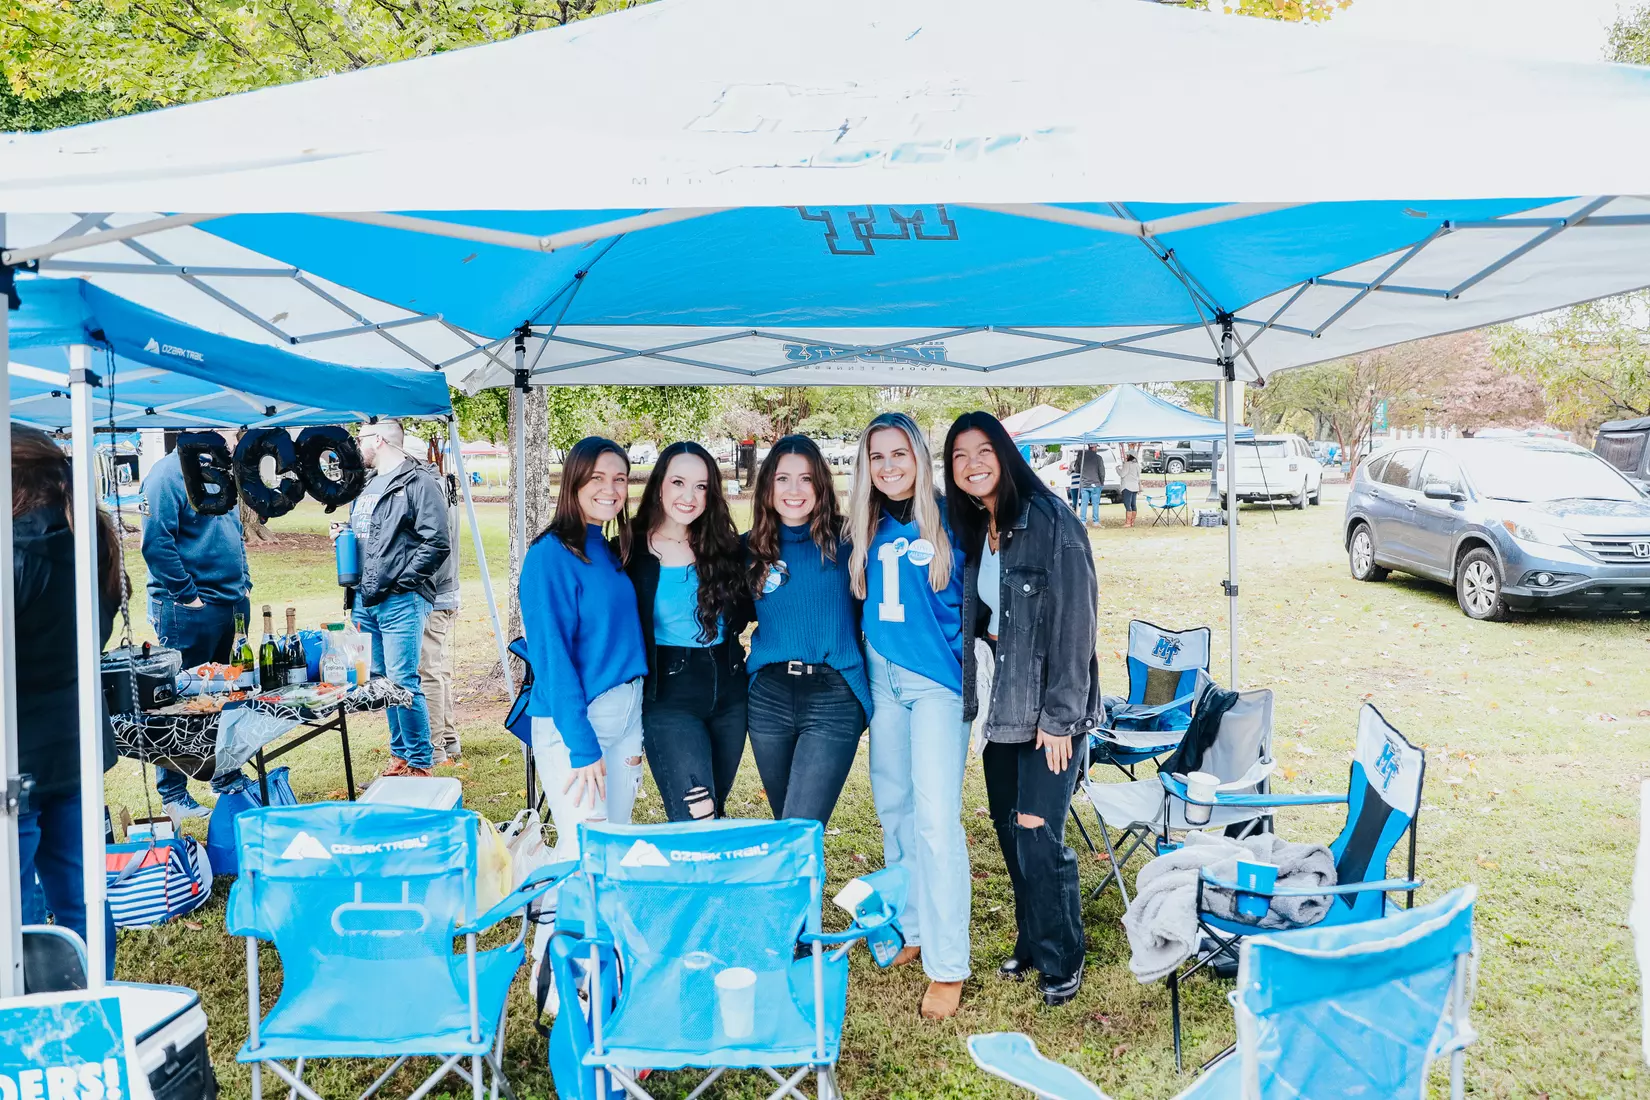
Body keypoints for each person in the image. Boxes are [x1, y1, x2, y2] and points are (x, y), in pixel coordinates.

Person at [947, 411, 1100, 1008]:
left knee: (1038, 834)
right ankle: (1032, 939)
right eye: (959, 456)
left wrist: (1060, 718)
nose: (972, 464)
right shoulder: (982, 528)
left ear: (1006, 454)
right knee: (1010, 831)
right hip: (1002, 708)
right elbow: (992, 610)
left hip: (1049, 715)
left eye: (983, 450)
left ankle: (1063, 956)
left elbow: (1076, 625)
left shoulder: (1052, 521)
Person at [848, 411, 971, 1021]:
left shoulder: (954, 517)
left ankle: (948, 965)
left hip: (935, 686)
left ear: (920, 457)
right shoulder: (864, 525)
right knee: (893, 807)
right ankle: (914, 925)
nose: (890, 466)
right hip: (881, 679)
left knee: (934, 819)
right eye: (878, 457)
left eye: (900, 454)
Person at [12, 425, 119, 976]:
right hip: (73, 742)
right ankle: (97, 996)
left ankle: (39, 1019)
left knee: (20, 908)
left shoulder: (21, 553)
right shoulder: (92, 535)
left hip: (21, 753)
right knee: (81, 896)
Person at [519, 436, 647, 862]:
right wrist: (582, 746)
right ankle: (554, 930)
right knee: (585, 854)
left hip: (626, 717)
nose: (610, 488)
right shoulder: (549, 556)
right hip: (575, 726)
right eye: (597, 477)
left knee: (614, 849)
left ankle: (601, 931)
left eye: (620, 479)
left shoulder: (609, 549)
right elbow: (553, 660)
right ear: (573, 481)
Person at [744, 435, 868, 826]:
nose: (794, 490)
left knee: (801, 825)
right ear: (768, 486)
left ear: (822, 485)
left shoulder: (850, 541)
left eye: (806, 479)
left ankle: (795, 887)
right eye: (783, 479)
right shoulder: (749, 549)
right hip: (769, 698)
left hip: (834, 695)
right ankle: (800, 889)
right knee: (788, 826)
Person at [623, 442, 750, 822]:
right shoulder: (629, 551)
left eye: (701, 486)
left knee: (715, 807)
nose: (689, 496)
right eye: (679, 482)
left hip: (729, 689)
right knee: (696, 814)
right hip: (670, 694)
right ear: (659, 485)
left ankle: (709, 881)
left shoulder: (726, 546)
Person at [140, 436, 256, 816]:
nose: (236, 437)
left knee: (228, 695)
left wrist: (245, 584)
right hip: (187, 608)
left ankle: (225, 777)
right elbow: (156, 544)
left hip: (231, 602)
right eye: (227, 429)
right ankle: (173, 794)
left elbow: (233, 534)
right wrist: (188, 595)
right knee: (175, 701)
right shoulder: (165, 476)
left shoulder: (220, 469)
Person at [334, 419, 450, 778]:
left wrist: (403, 583)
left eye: (361, 438)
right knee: (381, 682)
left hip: (400, 600)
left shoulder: (418, 481)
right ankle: (399, 755)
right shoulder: (367, 485)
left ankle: (419, 763)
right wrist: (346, 534)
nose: (357, 444)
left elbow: (437, 541)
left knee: (403, 682)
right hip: (365, 600)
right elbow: (376, 537)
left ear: (380, 439)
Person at [422, 466, 462, 765]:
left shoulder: (427, 488)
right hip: (447, 592)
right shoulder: (441, 484)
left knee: (428, 672)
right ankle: (448, 739)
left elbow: (435, 546)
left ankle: (434, 747)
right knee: (439, 669)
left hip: (434, 593)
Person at [1078, 443, 1106, 526]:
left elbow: (1077, 469)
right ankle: (1095, 521)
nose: (1097, 449)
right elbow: (1102, 472)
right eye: (1096, 447)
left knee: (1084, 503)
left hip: (1084, 483)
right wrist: (1101, 482)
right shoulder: (1098, 458)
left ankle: (1082, 521)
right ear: (1093, 447)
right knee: (1095, 504)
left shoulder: (1082, 457)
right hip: (1095, 483)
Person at [1120, 448, 1142, 528]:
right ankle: (1132, 522)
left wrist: (1117, 469)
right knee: (1133, 504)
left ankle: (1128, 522)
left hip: (1127, 486)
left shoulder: (1127, 464)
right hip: (1135, 486)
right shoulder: (1137, 465)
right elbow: (1139, 476)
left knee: (1127, 504)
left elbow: (1122, 474)